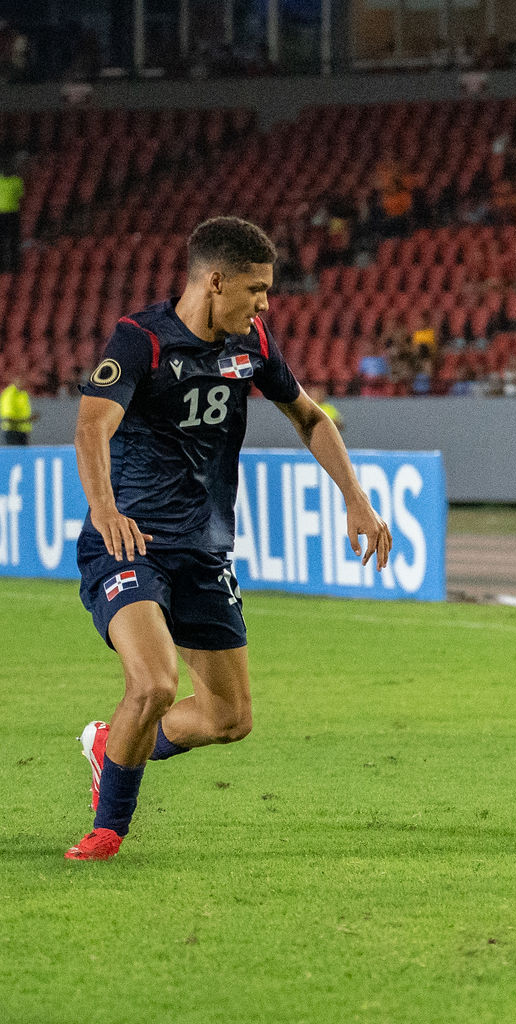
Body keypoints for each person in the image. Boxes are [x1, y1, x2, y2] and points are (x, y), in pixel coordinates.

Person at [66, 217, 392, 861]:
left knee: (229, 718)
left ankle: (112, 745)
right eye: (256, 289)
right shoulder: (141, 339)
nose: (265, 303)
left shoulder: (253, 343)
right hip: (131, 544)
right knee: (155, 685)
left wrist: (355, 497)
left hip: (205, 550)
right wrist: (104, 510)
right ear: (215, 282)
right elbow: (90, 426)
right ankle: (109, 829)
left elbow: (309, 416)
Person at [0, 159, 24, 273]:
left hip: (12, 214)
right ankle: (3, 265)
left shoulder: (17, 181)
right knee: (3, 240)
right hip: (3, 214)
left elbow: (20, 195)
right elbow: (20, 195)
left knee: (14, 239)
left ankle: (14, 265)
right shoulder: (14, 181)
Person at [1, 376, 36, 444]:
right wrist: (26, 420)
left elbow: (24, 412)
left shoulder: (23, 394)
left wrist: (28, 421)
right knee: (14, 450)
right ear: (15, 381)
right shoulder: (9, 395)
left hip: (23, 431)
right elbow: (8, 419)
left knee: (23, 450)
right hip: (12, 432)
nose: (25, 383)